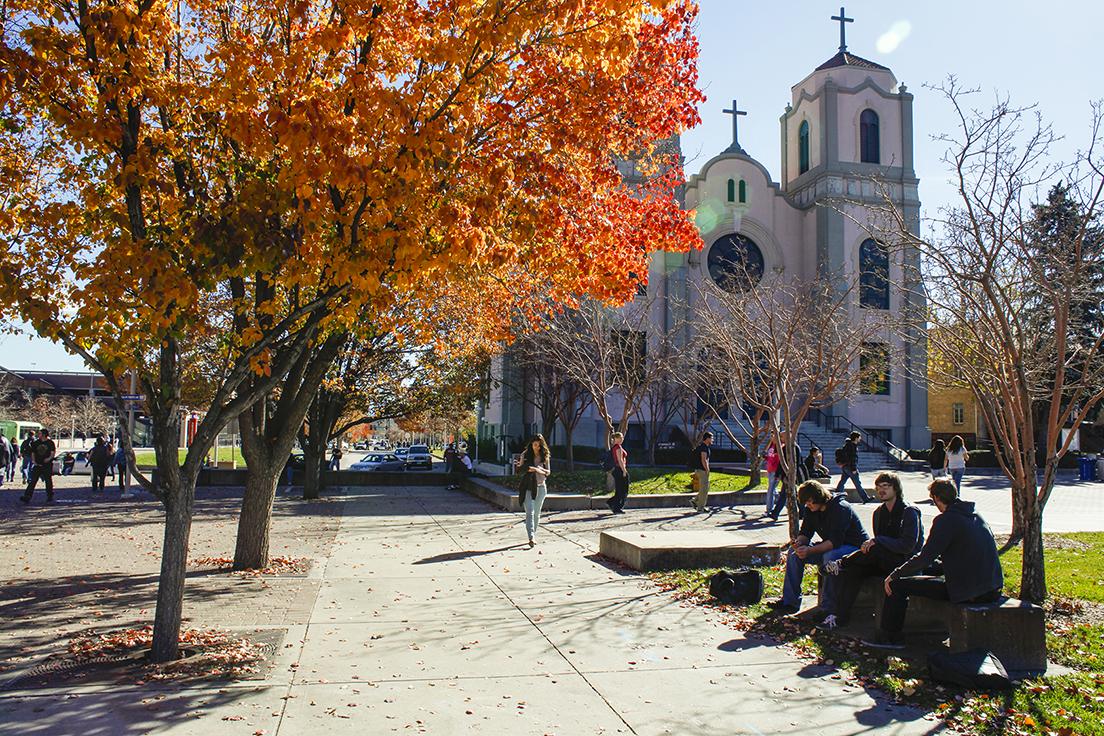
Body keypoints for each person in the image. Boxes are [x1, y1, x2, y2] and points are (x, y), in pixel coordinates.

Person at [865, 478, 1003, 649]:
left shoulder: (945, 520)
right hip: (992, 587)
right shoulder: (975, 516)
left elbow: (925, 557)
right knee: (923, 574)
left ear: (937, 498)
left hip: (970, 591)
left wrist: (895, 574)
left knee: (897, 585)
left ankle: (889, 638)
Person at [818, 472, 924, 631]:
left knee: (874, 548)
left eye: (886, 487)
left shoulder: (909, 511)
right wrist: (876, 543)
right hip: (883, 559)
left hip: (905, 563)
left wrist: (878, 541)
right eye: (878, 487)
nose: (881, 490)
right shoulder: (878, 513)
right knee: (852, 571)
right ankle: (839, 617)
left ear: (895, 488)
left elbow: (907, 546)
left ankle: (841, 562)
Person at [770, 480, 869, 616]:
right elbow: (806, 533)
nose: (808, 505)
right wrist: (798, 544)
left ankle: (827, 609)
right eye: (805, 503)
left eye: (810, 501)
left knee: (829, 557)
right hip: (832, 545)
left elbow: (834, 542)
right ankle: (790, 602)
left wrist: (809, 551)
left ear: (819, 496)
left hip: (854, 549)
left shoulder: (840, 508)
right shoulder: (811, 510)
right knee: (794, 553)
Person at [515, 434, 551, 548]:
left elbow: (548, 472)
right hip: (528, 487)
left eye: (539, 446)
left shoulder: (545, 456)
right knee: (529, 512)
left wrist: (538, 470)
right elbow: (519, 470)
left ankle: (533, 534)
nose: (537, 447)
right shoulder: (525, 455)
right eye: (535, 445)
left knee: (536, 513)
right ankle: (531, 537)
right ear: (531, 444)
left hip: (541, 487)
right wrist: (521, 466)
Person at [769, 441, 809, 521]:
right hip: (787, 475)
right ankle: (802, 512)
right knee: (791, 494)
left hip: (790, 475)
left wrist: (789, 476)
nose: (781, 439)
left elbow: (796, 463)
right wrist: (778, 474)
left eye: (783, 436)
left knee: (784, 495)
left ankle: (775, 513)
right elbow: (781, 463)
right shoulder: (785, 448)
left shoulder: (794, 448)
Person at [21, 428, 57, 504]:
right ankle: (27, 496)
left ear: (44, 435)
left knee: (48, 481)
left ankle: (50, 496)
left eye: (40, 434)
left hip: (47, 465)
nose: (38, 435)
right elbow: (33, 452)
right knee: (32, 481)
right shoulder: (36, 443)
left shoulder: (50, 443)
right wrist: (33, 461)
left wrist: (49, 458)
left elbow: (52, 452)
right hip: (37, 464)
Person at [835, 431, 872, 503]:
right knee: (857, 484)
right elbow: (853, 458)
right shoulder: (853, 446)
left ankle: (837, 495)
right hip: (850, 467)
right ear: (856, 438)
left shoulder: (847, 445)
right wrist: (854, 468)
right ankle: (865, 498)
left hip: (845, 466)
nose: (860, 439)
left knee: (842, 482)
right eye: (859, 437)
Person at [605, 432, 630, 515]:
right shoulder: (618, 447)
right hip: (620, 469)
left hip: (616, 470)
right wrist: (624, 471)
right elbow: (620, 460)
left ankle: (614, 505)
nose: (622, 439)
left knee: (620, 489)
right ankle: (615, 505)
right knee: (623, 490)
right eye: (621, 438)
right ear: (617, 438)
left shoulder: (614, 447)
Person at [691, 431, 714, 512]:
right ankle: (700, 508)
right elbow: (704, 459)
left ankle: (694, 500)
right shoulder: (704, 448)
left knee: (705, 488)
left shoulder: (704, 447)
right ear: (707, 438)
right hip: (702, 470)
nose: (712, 439)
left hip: (700, 470)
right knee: (704, 490)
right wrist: (707, 469)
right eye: (711, 438)